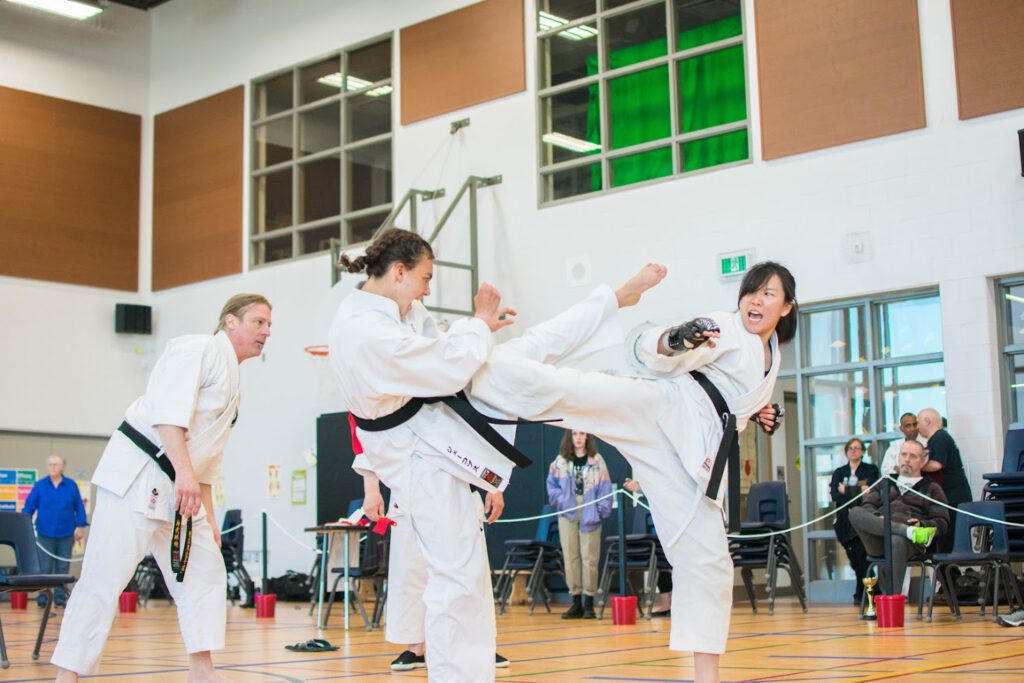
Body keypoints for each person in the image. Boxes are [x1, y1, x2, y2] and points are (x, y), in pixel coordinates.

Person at [471, 261, 795, 683]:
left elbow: (738, 399)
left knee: (710, 560)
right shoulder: (725, 326)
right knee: (583, 392)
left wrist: (758, 412)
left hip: (693, 455)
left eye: (769, 293)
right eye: (752, 290)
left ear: (786, 308)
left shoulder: (770, 359)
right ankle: (481, 375)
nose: (756, 299)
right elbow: (651, 346)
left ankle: (706, 675)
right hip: (665, 408)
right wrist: (675, 339)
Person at [51, 294, 272, 683]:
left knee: (205, 569)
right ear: (230, 323)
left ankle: (202, 670)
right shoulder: (197, 347)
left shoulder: (235, 391)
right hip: (139, 473)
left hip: (182, 486)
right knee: (105, 576)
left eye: (269, 324)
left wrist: (211, 518)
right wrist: (185, 476)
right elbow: (168, 416)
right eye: (259, 322)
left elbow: (208, 463)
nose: (267, 332)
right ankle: (67, 674)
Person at [329, 228, 517, 683]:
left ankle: (465, 669)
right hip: (412, 450)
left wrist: (476, 331)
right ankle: (455, 672)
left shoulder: (401, 309)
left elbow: (438, 343)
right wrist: (475, 325)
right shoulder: (366, 329)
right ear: (398, 272)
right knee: (454, 573)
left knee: (461, 567)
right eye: (425, 278)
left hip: (425, 440)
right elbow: (445, 366)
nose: (428, 289)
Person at [848, 440, 949, 594]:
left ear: (922, 462)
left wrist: (922, 524)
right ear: (898, 458)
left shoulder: (932, 488)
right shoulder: (884, 483)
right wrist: (877, 518)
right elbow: (867, 507)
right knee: (855, 512)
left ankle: (892, 600)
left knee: (896, 539)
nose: (907, 459)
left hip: (909, 543)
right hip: (877, 538)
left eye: (913, 456)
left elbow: (942, 522)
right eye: (904, 454)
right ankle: (903, 530)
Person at [547, 430, 612, 619]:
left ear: (587, 437)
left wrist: (600, 511)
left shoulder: (597, 461)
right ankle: (575, 601)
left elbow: (606, 488)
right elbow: (551, 487)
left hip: (590, 509)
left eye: (582, 433)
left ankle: (589, 602)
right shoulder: (560, 461)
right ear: (570, 437)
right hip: (567, 512)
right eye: (575, 433)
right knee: (570, 556)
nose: (578, 437)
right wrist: (562, 501)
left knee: (589, 557)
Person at [21, 454, 88, 606]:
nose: (53, 467)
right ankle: (43, 598)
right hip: (44, 533)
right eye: (50, 464)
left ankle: (59, 598)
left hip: (66, 533)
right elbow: (29, 506)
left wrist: (80, 527)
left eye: (56, 464)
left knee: (62, 568)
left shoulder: (71, 485)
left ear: (62, 467)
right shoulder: (40, 485)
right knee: (44, 567)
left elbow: (79, 507)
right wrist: (24, 525)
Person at [828, 438, 880, 604]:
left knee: (863, 556)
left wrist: (848, 490)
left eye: (857, 448)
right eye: (850, 448)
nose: (853, 451)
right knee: (854, 560)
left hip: (862, 519)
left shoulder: (870, 470)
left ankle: (866, 594)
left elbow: (869, 493)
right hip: (844, 522)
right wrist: (857, 489)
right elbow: (835, 495)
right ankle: (866, 592)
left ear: (862, 452)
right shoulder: (839, 472)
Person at [917, 408, 971, 553]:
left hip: (952, 498)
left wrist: (914, 467)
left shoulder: (940, 438)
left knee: (948, 542)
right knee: (945, 541)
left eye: (918, 422)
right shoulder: (939, 438)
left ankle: (949, 574)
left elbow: (936, 464)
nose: (917, 427)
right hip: (950, 497)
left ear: (927, 421)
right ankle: (948, 574)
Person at [623, 477, 671, 616]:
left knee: (662, 557)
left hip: (667, 520)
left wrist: (639, 487)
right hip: (654, 526)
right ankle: (666, 602)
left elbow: (664, 485)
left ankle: (673, 603)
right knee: (657, 558)